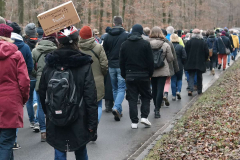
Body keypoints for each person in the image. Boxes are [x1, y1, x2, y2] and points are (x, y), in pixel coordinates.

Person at [39, 26, 98, 160]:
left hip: (55, 115)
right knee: (81, 150)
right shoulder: (83, 63)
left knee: (59, 151)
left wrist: (49, 113)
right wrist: (92, 124)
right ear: (76, 40)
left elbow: (42, 92)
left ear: (59, 41)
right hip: (79, 116)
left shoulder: (50, 63)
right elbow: (90, 96)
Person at [0, 24, 30, 160]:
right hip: (10, 102)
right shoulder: (16, 54)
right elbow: (24, 81)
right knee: (6, 142)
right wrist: (23, 99)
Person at [119, 24, 154, 128]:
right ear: (141, 32)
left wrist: (124, 74)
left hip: (130, 75)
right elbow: (150, 61)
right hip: (144, 75)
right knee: (146, 96)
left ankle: (134, 122)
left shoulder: (124, 44)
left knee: (132, 98)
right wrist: (150, 74)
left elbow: (121, 62)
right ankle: (144, 117)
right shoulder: (145, 44)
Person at [79, 26, 108, 140]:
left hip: (82, 80)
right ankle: (94, 127)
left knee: (85, 105)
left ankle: (87, 127)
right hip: (97, 79)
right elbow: (104, 64)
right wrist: (102, 75)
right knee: (98, 105)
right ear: (91, 35)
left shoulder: (77, 48)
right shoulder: (98, 47)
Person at [9, 22, 33, 148]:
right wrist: (24, 96)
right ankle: (13, 140)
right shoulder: (24, 48)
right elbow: (29, 67)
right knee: (12, 118)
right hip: (15, 90)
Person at [32, 33, 58, 142]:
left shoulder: (35, 51)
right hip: (54, 81)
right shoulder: (56, 50)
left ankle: (43, 131)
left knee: (41, 108)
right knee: (54, 105)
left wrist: (37, 74)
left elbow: (30, 67)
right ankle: (53, 130)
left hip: (39, 81)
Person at [103, 16, 129, 121]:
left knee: (114, 88)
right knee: (121, 88)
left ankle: (119, 110)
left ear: (113, 24)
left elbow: (104, 51)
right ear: (122, 24)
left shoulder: (107, 37)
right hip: (122, 65)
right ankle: (116, 107)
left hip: (111, 65)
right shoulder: (126, 36)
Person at [147, 26, 174, 118]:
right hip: (162, 70)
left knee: (154, 89)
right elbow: (170, 59)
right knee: (160, 89)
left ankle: (155, 106)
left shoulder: (147, 44)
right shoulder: (165, 44)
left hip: (151, 69)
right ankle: (157, 109)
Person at [185, 29, 209, 96]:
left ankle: (190, 89)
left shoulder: (189, 42)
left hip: (190, 61)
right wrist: (205, 59)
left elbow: (185, 51)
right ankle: (199, 90)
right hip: (200, 61)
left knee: (191, 76)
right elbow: (207, 52)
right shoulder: (203, 43)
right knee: (199, 76)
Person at [162, 28, 179, 107]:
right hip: (168, 66)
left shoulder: (151, 43)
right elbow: (173, 57)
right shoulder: (169, 43)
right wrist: (176, 68)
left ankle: (160, 98)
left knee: (159, 83)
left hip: (157, 67)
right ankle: (165, 93)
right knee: (167, 82)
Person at [170, 34, 187, 100]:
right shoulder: (181, 47)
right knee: (179, 79)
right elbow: (184, 56)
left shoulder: (169, 46)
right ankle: (178, 91)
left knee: (173, 80)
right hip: (179, 64)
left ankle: (173, 95)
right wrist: (183, 63)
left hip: (172, 65)